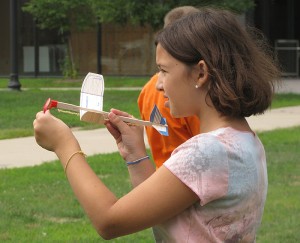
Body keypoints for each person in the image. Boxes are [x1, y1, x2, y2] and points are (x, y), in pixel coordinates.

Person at [33, 8, 280, 242]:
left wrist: (64, 145)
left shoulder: (206, 153)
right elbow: (164, 210)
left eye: (163, 71)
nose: (159, 84)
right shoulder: (245, 140)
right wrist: (135, 155)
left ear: (200, 73)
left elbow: (109, 222)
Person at [138, 6, 200, 168]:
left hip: (164, 173)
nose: (160, 86)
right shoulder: (194, 94)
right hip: (192, 175)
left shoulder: (147, 90)